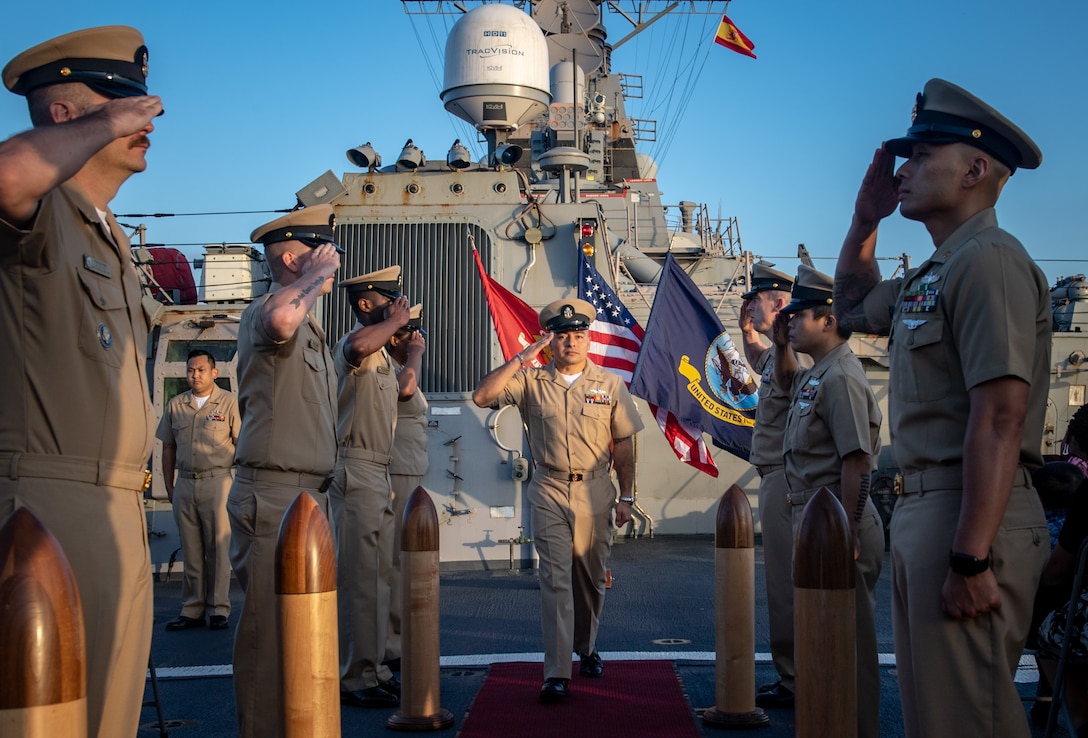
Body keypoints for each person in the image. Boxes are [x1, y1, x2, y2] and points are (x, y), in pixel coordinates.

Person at [833, 78, 1051, 737]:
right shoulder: (936, 273)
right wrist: (864, 221)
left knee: (968, 719)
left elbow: (1001, 416)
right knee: (938, 716)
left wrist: (969, 558)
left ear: (976, 170)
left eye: (923, 154)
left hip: (969, 514)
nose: (903, 169)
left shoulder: (989, 261)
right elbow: (847, 308)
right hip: (933, 513)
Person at [0, 26, 162, 738]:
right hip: (50, 504)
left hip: (121, 506)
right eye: (117, 100)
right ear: (64, 115)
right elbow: (6, 177)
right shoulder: (45, 215)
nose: (145, 116)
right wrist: (106, 121)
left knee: (109, 721)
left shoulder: (110, 235)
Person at [472, 298, 644, 703]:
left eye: (579, 336)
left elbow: (623, 444)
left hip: (597, 490)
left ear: (588, 340)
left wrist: (628, 496)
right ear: (551, 342)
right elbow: (482, 397)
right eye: (563, 336)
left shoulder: (609, 384)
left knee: (589, 577)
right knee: (554, 579)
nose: (572, 343)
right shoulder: (531, 382)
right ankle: (556, 671)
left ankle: (586, 647)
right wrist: (521, 358)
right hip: (548, 489)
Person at [228, 205, 341, 738]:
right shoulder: (267, 313)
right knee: (268, 636)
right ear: (295, 257)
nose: (334, 260)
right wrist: (317, 277)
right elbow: (280, 319)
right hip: (273, 495)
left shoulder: (309, 322)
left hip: (307, 496)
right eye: (323, 252)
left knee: (304, 635)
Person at [771, 265, 884, 737]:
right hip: (816, 520)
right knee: (822, 642)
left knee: (848, 646)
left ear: (830, 321)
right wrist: (780, 345)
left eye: (799, 315)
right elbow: (783, 387)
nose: (790, 320)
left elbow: (856, 461)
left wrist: (849, 531)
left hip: (839, 519)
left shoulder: (841, 377)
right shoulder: (818, 374)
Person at [330, 265, 410, 708]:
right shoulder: (354, 344)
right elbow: (356, 346)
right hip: (355, 468)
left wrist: (401, 338)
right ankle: (352, 675)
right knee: (358, 578)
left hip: (379, 470)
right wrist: (395, 324)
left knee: (378, 579)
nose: (398, 307)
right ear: (365, 304)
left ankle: (374, 665)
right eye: (389, 301)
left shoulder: (382, 357)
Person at [738, 263, 805, 708]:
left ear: (779, 303)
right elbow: (760, 358)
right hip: (775, 480)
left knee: (786, 585)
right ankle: (793, 675)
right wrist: (747, 329)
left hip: (787, 481)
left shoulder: (798, 356)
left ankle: (797, 680)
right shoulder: (779, 352)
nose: (749, 305)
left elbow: (782, 373)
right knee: (782, 584)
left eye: (755, 300)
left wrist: (774, 339)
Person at [156, 349, 241, 632]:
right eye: (191, 370)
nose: (195, 374)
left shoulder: (228, 403)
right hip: (185, 483)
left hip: (218, 482)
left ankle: (218, 608)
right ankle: (192, 608)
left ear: (214, 373)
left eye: (201, 370)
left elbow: (241, 445)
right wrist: (169, 485)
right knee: (191, 549)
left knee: (217, 548)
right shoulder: (176, 405)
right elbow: (168, 447)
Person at [384, 303, 429, 673]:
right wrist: (415, 353)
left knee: (402, 562)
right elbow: (406, 390)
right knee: (394, 563)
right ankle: (390, 644)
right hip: (396, 475)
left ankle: (396, 638)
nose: (418, 341)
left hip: (408, 472)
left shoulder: (396, 367)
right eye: (411, 335)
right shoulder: (393, 370)